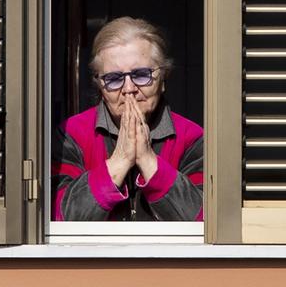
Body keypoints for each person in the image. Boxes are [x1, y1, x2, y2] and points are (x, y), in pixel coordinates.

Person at [52, 17, 204, 221]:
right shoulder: (71, 134)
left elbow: (204, 219)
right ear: (100, 87)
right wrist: (120, 161)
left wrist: (148, 160)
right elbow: (60, 217)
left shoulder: (192, 137)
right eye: (114, 79)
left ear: (163, 79)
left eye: (141, 75)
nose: (129, 89)